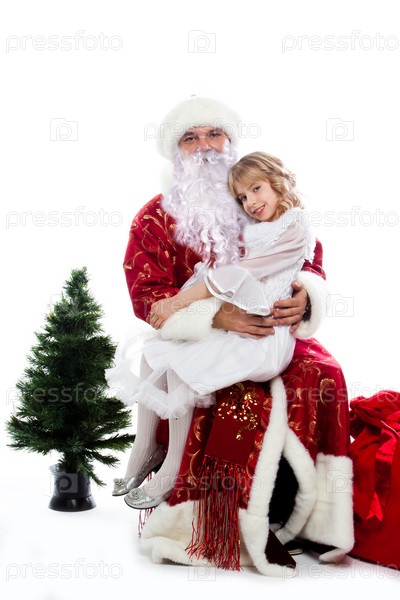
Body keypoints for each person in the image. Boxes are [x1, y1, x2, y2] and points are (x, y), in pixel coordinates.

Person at [112, 96, 354, 576]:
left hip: (271, 326)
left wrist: (307, 297)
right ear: (175, 151)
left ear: (231, 141)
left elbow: (308, 259)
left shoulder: (259, 199)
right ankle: (181, 488)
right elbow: (148, 295)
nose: (204, 145)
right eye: (190, 137)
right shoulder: (154, 218)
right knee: (174, 363)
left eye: (213, 133)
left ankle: (310, 515)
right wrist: (215, 318)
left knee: (323, 372)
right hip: (206, 328)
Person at [108, 151, 317, 510]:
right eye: (243, 197)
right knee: (154, 351)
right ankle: (146, 446)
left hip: (264, 337)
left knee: (181, 366)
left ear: (278, 183)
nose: (251, 202)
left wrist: (181, 301)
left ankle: (174, 470)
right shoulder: (256, 222)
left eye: (257, 189)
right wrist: (203, 307)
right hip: (239, 319)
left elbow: (240, 273)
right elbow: (220, 268)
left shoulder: (293, 228)